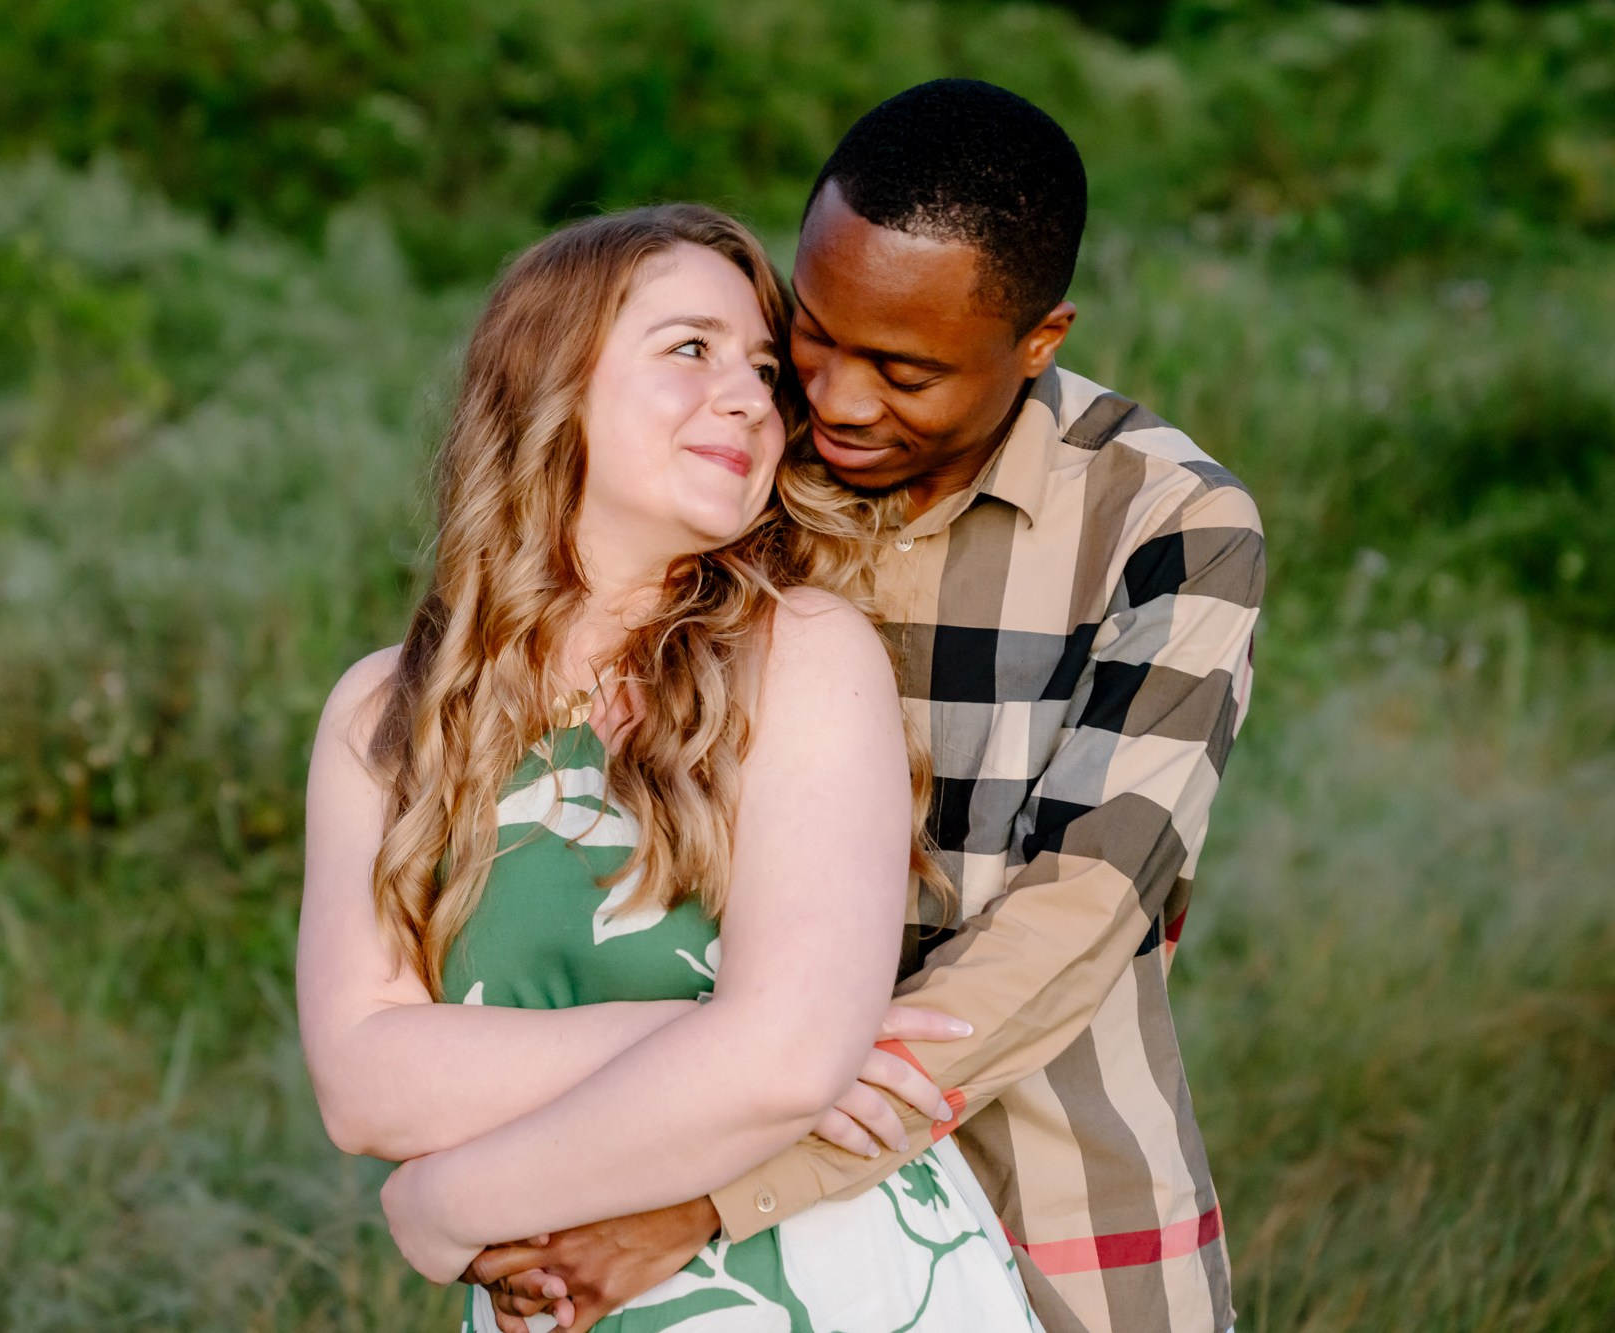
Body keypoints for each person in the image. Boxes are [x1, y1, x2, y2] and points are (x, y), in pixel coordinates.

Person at [466, 80, 1263, 1333]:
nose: (831, 402)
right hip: (677, 1185)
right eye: (814, 337)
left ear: (1038, 341)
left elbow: (1081, 911)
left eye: (901, 371)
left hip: (1047, 1196)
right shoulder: (733, 456)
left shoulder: (1166, 523)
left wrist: (733, 1182)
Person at [296, 203, 1044, 1328]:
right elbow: (360, 1085)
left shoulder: (800, 654)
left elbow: (786, 1061)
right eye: (689, 349)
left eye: (758, 367)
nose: (749, 396)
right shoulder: (384, 711)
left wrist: (445, 1202)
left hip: (820, 1280)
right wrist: (718, 1036)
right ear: (550, 379)